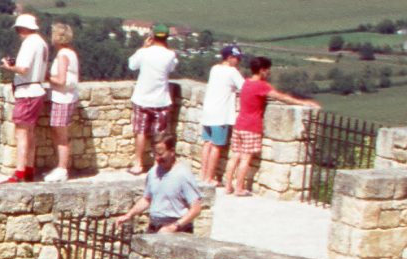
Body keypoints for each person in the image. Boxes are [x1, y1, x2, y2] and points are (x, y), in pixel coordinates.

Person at [224, 56, 316, 197]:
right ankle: (239, 188)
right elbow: (281, 97)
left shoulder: (246, 83)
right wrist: (303, 103)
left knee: (235, 156)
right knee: (245, 159)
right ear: (262, 70)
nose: (269, 73)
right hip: (251, 126)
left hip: (240, 124)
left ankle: (228, 186)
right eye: (268, 70)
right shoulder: (261, 85)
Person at [120, 136, 206, 234]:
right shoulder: (153, 172)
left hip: (176, 229)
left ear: (172, 151)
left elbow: (196, 208)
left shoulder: (183, 175)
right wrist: (129, 214)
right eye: (154, 154)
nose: (157, 158)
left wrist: (174, 226)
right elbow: (147, 199)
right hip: (154, 226)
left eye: (160, 154)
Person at [1, 12, 50, 182]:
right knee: (30, 132)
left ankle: (19, 171)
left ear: (22, 29)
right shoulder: (42, 43)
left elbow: (23, 69)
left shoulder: (30, 43)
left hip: (27, 91)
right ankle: (29, 168)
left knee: (21, 133)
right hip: (37, 89)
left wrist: (8, 67)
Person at [126, 28, 179, 173]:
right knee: (159, 135)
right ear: (167, 37)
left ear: (152, 36)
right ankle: (158, 164)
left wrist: (143, 47)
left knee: (141, 132)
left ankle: (138, 164)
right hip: (161, 100)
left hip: (142, 98)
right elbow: (172, 68)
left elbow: (132, 65)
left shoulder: (144, 53)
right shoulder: (170, 55)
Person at [197, 45, 243, 186]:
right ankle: (209, 177)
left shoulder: (214, 69)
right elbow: (244, 87)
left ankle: (203, 174)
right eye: (237, 58)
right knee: (216, 146)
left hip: (208, 112)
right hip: (221, 114)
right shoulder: (232, 71)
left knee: (207, 144)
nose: (239, 61)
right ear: (230, 58)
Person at [44, 22, 82, 182]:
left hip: (62, 98)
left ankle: (62, 168)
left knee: (61, 135)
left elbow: (60, 80)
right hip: (68, 97)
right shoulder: (71, 53)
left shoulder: (62, 55)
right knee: (60, 134)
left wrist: (46, 77)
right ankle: (60, 167)